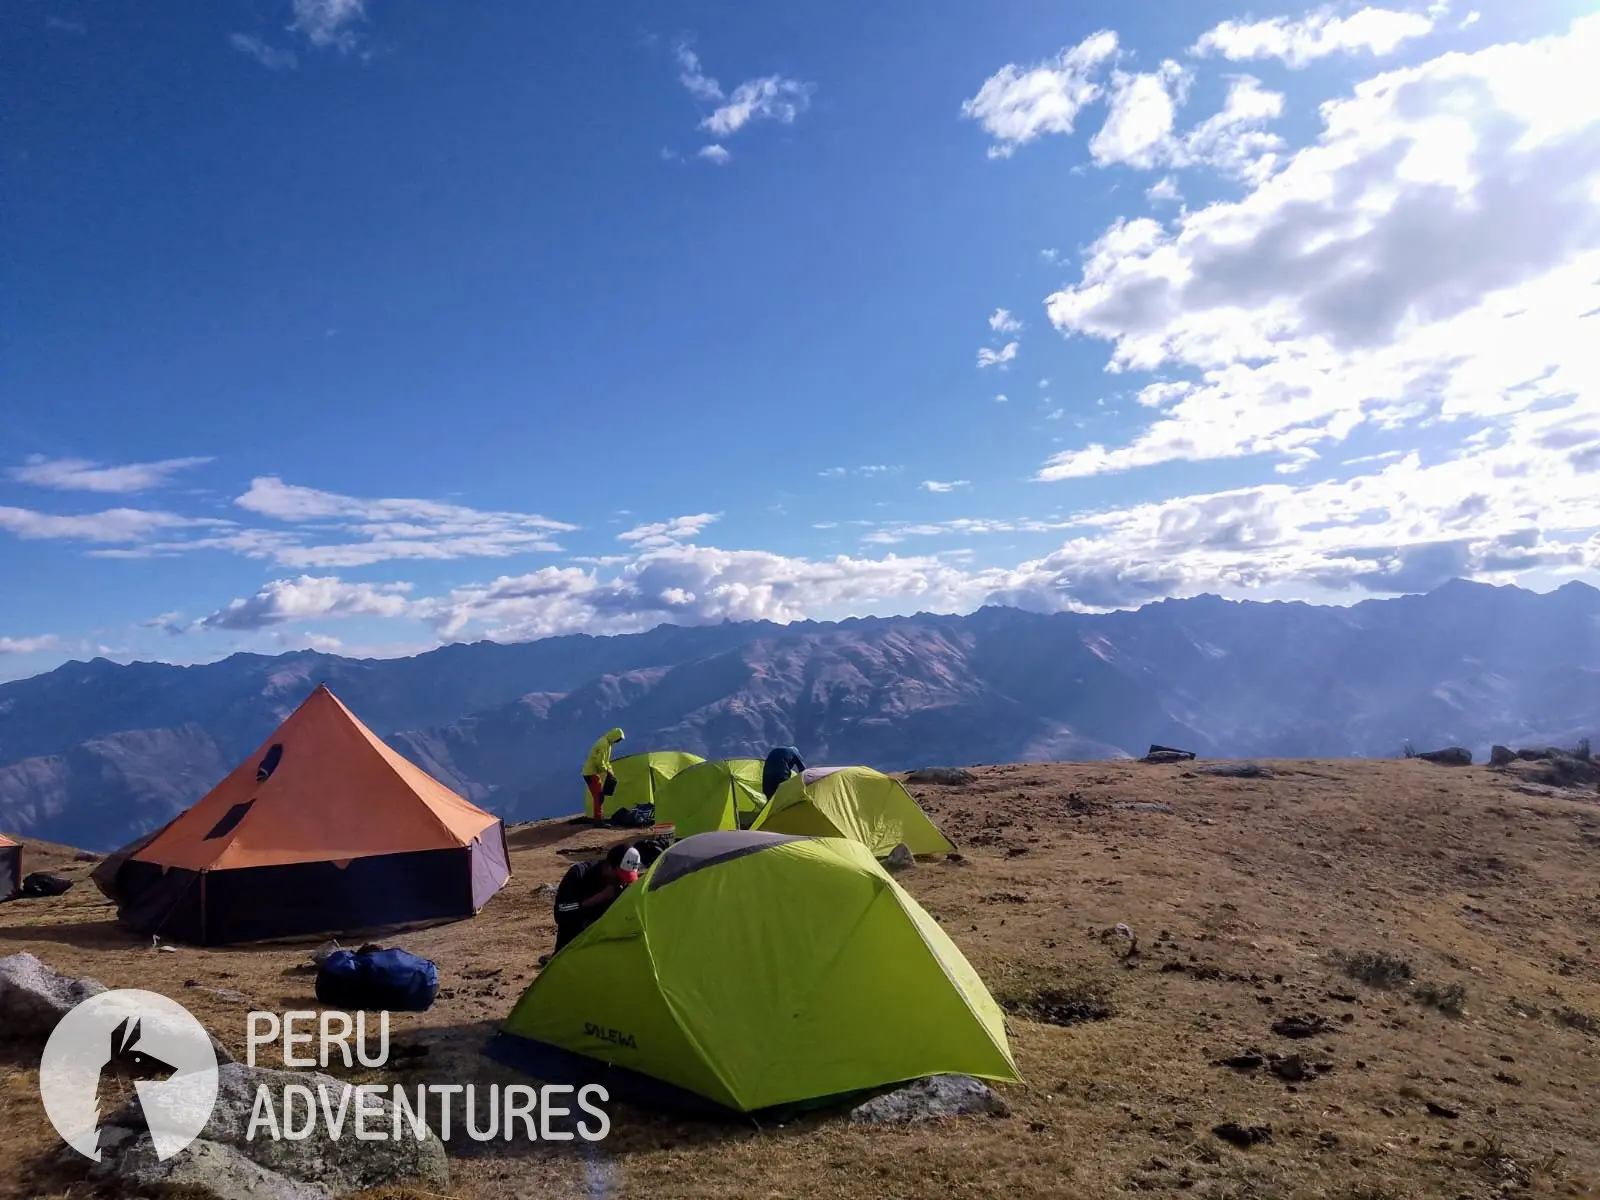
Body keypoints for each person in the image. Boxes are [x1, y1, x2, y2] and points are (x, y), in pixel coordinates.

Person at [552, 841, 641, 952]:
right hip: (572, 947)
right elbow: (560, 913)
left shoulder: (623, 885)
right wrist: (599, 898)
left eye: (627, 878)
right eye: (620, 876)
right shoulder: (579, 874)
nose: (623, 882)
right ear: (609, 866)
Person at [581, 728, 624, 822]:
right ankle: (598, 820)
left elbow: (605, 761)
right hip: (591, 773)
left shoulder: (607, 743)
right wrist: (606, 771)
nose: (618, 742)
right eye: (618, 739)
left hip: (591, 772)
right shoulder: (603, 744)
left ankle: (598, 818)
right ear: (615, 737)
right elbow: (599, 762)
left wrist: (610, 770)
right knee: (598, 796)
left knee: (598, 796)